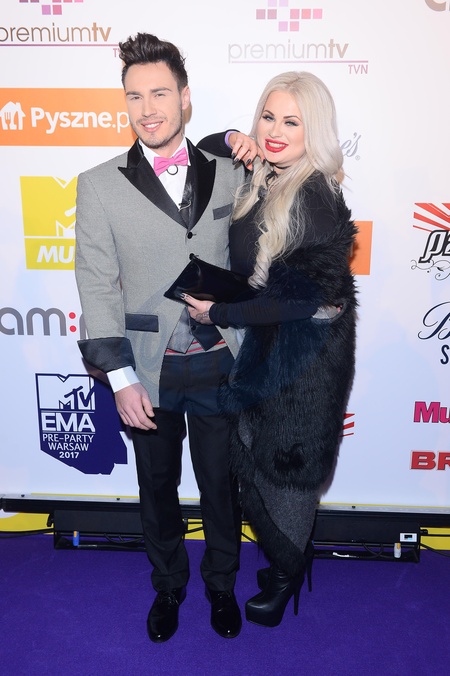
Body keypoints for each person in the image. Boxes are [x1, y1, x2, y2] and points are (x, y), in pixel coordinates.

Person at [74, 33, 248, 643]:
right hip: (147, 369)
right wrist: (119, 378)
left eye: (159, 94)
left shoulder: (232, 172)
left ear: (185, 98)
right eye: (134, 97)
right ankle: (169, 584)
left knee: (222, 487)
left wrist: (239, 138)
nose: (147, 109)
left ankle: (221, 585)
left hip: (221, 359)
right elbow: (96, 285)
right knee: (156, 487)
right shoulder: (97, 185)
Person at [184, 71, 358, 628]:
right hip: (264, 348)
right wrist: (233, 137)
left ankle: (287, 574)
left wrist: (220, 314)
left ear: (315, 132)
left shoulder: (316, 196)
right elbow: (202, 149)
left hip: (306, 362)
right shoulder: (260, 172)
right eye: (268, 117)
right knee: (257, 456)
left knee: (288, 467)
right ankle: (285, 559)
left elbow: (298, 303)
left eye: (291, 122)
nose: (275, 131)